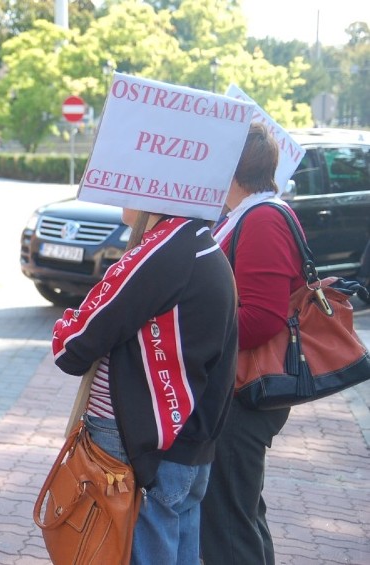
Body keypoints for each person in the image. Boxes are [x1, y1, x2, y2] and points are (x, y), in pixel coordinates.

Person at [51, 207, 239, 560]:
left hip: (142, 442)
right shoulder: (201, 243)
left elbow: (77, 346)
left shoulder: (165, 248)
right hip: (188, 440)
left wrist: (64, 328)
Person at [200, 123, 306, 564]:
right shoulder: (252, 213)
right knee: (238, 512)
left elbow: (262, 318)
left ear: (230, 166)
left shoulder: (262, 219)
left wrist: (195, 336)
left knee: (227, 522)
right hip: (241, 389)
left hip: (243, 394)